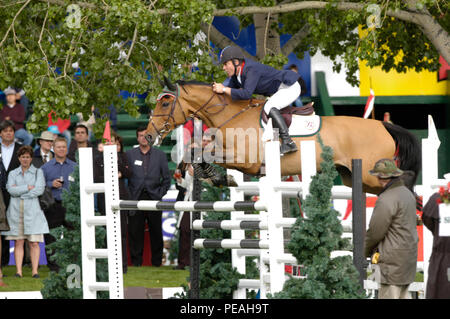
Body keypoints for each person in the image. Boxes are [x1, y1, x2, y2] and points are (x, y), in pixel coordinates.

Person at [212, 46, 301, 155]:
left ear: (235, 62)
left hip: (290, 86)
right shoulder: (237, 75)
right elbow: (228, 92)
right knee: (267, 106)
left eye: (225, 64)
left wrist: (224, 89)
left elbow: (246, 94)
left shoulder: (251, 69)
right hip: (280, 90)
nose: (223, 68)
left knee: (269, 107)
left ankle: (288, 142)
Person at [365, 158, 418, 299]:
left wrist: (364, 250)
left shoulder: (386, 198)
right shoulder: (407, 194)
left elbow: (375, 231)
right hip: (408, 258)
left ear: (381, 178)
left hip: (391, 261)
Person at [1, 146, 49, 278]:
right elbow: (10, 190)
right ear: (19, 158)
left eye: (27, 157)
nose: (25, 159)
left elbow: (39, 190)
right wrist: (27, 188)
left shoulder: (38, 172)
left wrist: (20, 192)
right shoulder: (12, 173)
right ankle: (18, 271)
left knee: (34, 242)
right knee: (19, 241)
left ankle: (35, 271)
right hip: (16, 212)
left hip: (33, 211)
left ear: (31, 158)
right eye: (23, 157)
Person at [126, 126, 171, 267]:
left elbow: (167, 179)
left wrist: (160, 193)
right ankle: (136, 263)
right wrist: (129, 194)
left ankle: (157, 263)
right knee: (135, 232)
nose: (143, 138)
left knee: (156, 232)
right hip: (135, 197)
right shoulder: (129, 154)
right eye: (140, 135)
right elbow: (125, 177)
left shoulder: (160, 155)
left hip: (154, 197)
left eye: (146, 135)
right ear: (137, 137)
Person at [93, 132, 132, 273]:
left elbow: (129, 173)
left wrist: (117, 163)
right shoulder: (98, 159)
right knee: (106, 232)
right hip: (104, 199)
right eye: (109, 142)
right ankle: (106, 265)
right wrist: (114, 176)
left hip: (121, 196)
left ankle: (122, 266)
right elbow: (97, 178)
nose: (112, 145)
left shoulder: (122, 157)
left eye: (114, 142)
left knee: (121, 233)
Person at [41, 137, 76, 271]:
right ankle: (53, 266)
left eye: (64, 147)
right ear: (53, 149)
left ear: (67, 149)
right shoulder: (46, 167)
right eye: (59, 147)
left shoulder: (74, 166)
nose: (61, 149)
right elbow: (40, 186)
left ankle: (72, 264)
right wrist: (51, 184)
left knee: (73, 236)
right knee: (51, 237)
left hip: (70, 205)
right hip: (53, 206)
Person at [0, 120, 21, 267]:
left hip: (15, 193)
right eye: (5, 130)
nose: (8, 133)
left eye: (11, 130)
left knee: (17, 227)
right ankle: (2, 261)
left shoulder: (21, 149)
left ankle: (23, 262)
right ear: (0, 133)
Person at [421, 189, 450, 299]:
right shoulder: (437, 199)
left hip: (441, 258)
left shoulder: (436, 199)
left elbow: (428, 219)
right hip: (441, 256)